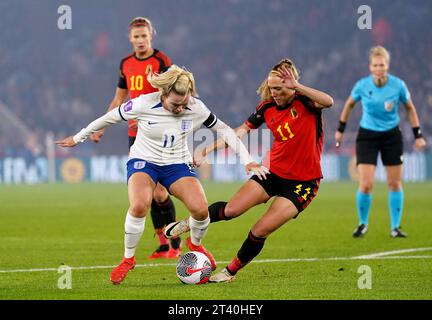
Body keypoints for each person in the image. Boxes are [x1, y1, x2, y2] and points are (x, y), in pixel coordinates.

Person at [55, 65, 269, 285]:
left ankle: (195, 244)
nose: (180, 108)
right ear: (163, 94)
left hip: (176, 163)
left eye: (184, 103)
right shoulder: (143, 103)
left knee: (201, 209)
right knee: (139, 205)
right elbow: (108, 118)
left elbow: (225, 131)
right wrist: (78, 137)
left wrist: (248, 160)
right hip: (144, 162)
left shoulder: (196, 107)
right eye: (175, 104)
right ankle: (128, 259)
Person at [164, 59, 334, 283]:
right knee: (232, 210)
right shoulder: (267, 107)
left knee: (260, 230)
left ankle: (229, 272)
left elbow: (329, 101)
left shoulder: (307, 102)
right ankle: (189, 223)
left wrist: (298, 87)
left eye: (279, 88)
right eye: (271, 88)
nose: (274, 93)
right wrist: (208, 148)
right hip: (273, 172)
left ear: (292, 85)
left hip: (303, 183)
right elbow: (240, 132)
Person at [90, 17, 181, 259]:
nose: (140, 40)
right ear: (130, 38)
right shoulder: (125, 64)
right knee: (147, 193)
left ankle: (175, 244)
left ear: (151, 35)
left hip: (159, 132)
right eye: (136, 37)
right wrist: (102, 127)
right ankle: (163, 245)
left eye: (144, 36)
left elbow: (173, 94)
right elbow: (118, 99)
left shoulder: (161, 61)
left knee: (161, 193)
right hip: (135, 134)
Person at [334, 46, 427, 238]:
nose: (378, 68)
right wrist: (340, 130)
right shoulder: (361, 85)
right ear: (370, 67)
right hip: (367, 136)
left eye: (382, 65)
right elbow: (349, 104)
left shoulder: (398, 85)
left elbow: (410, 108)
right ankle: (362, 224)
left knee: (394, 183)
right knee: (366, 184)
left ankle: (395, 227)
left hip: (391, 136)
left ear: (387, 66)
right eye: (375, 65)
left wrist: (417, 135)